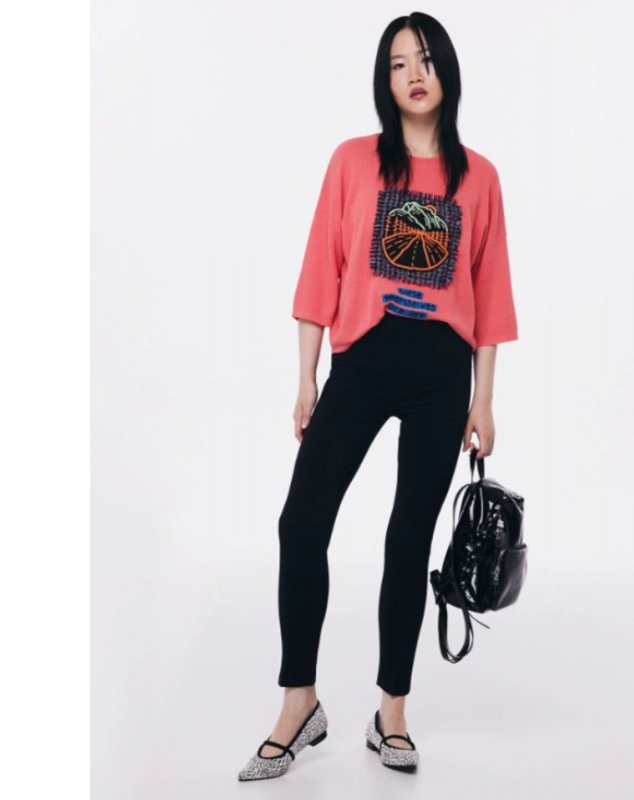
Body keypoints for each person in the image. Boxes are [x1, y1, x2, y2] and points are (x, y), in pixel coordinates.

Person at [238, 11, 518, 780]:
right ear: (383, 80)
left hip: (442, 372)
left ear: (446, 70)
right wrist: (307, 376)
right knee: (302, 523)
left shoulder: (480, 177)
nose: (413, 75)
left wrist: (484, 399)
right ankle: (300, 702)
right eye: (398, 64)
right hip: (361, 362)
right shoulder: (353, 161)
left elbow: (491, 292)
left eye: (425, 60)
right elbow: (319, 267)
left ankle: (392, 711)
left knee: (408, 541)